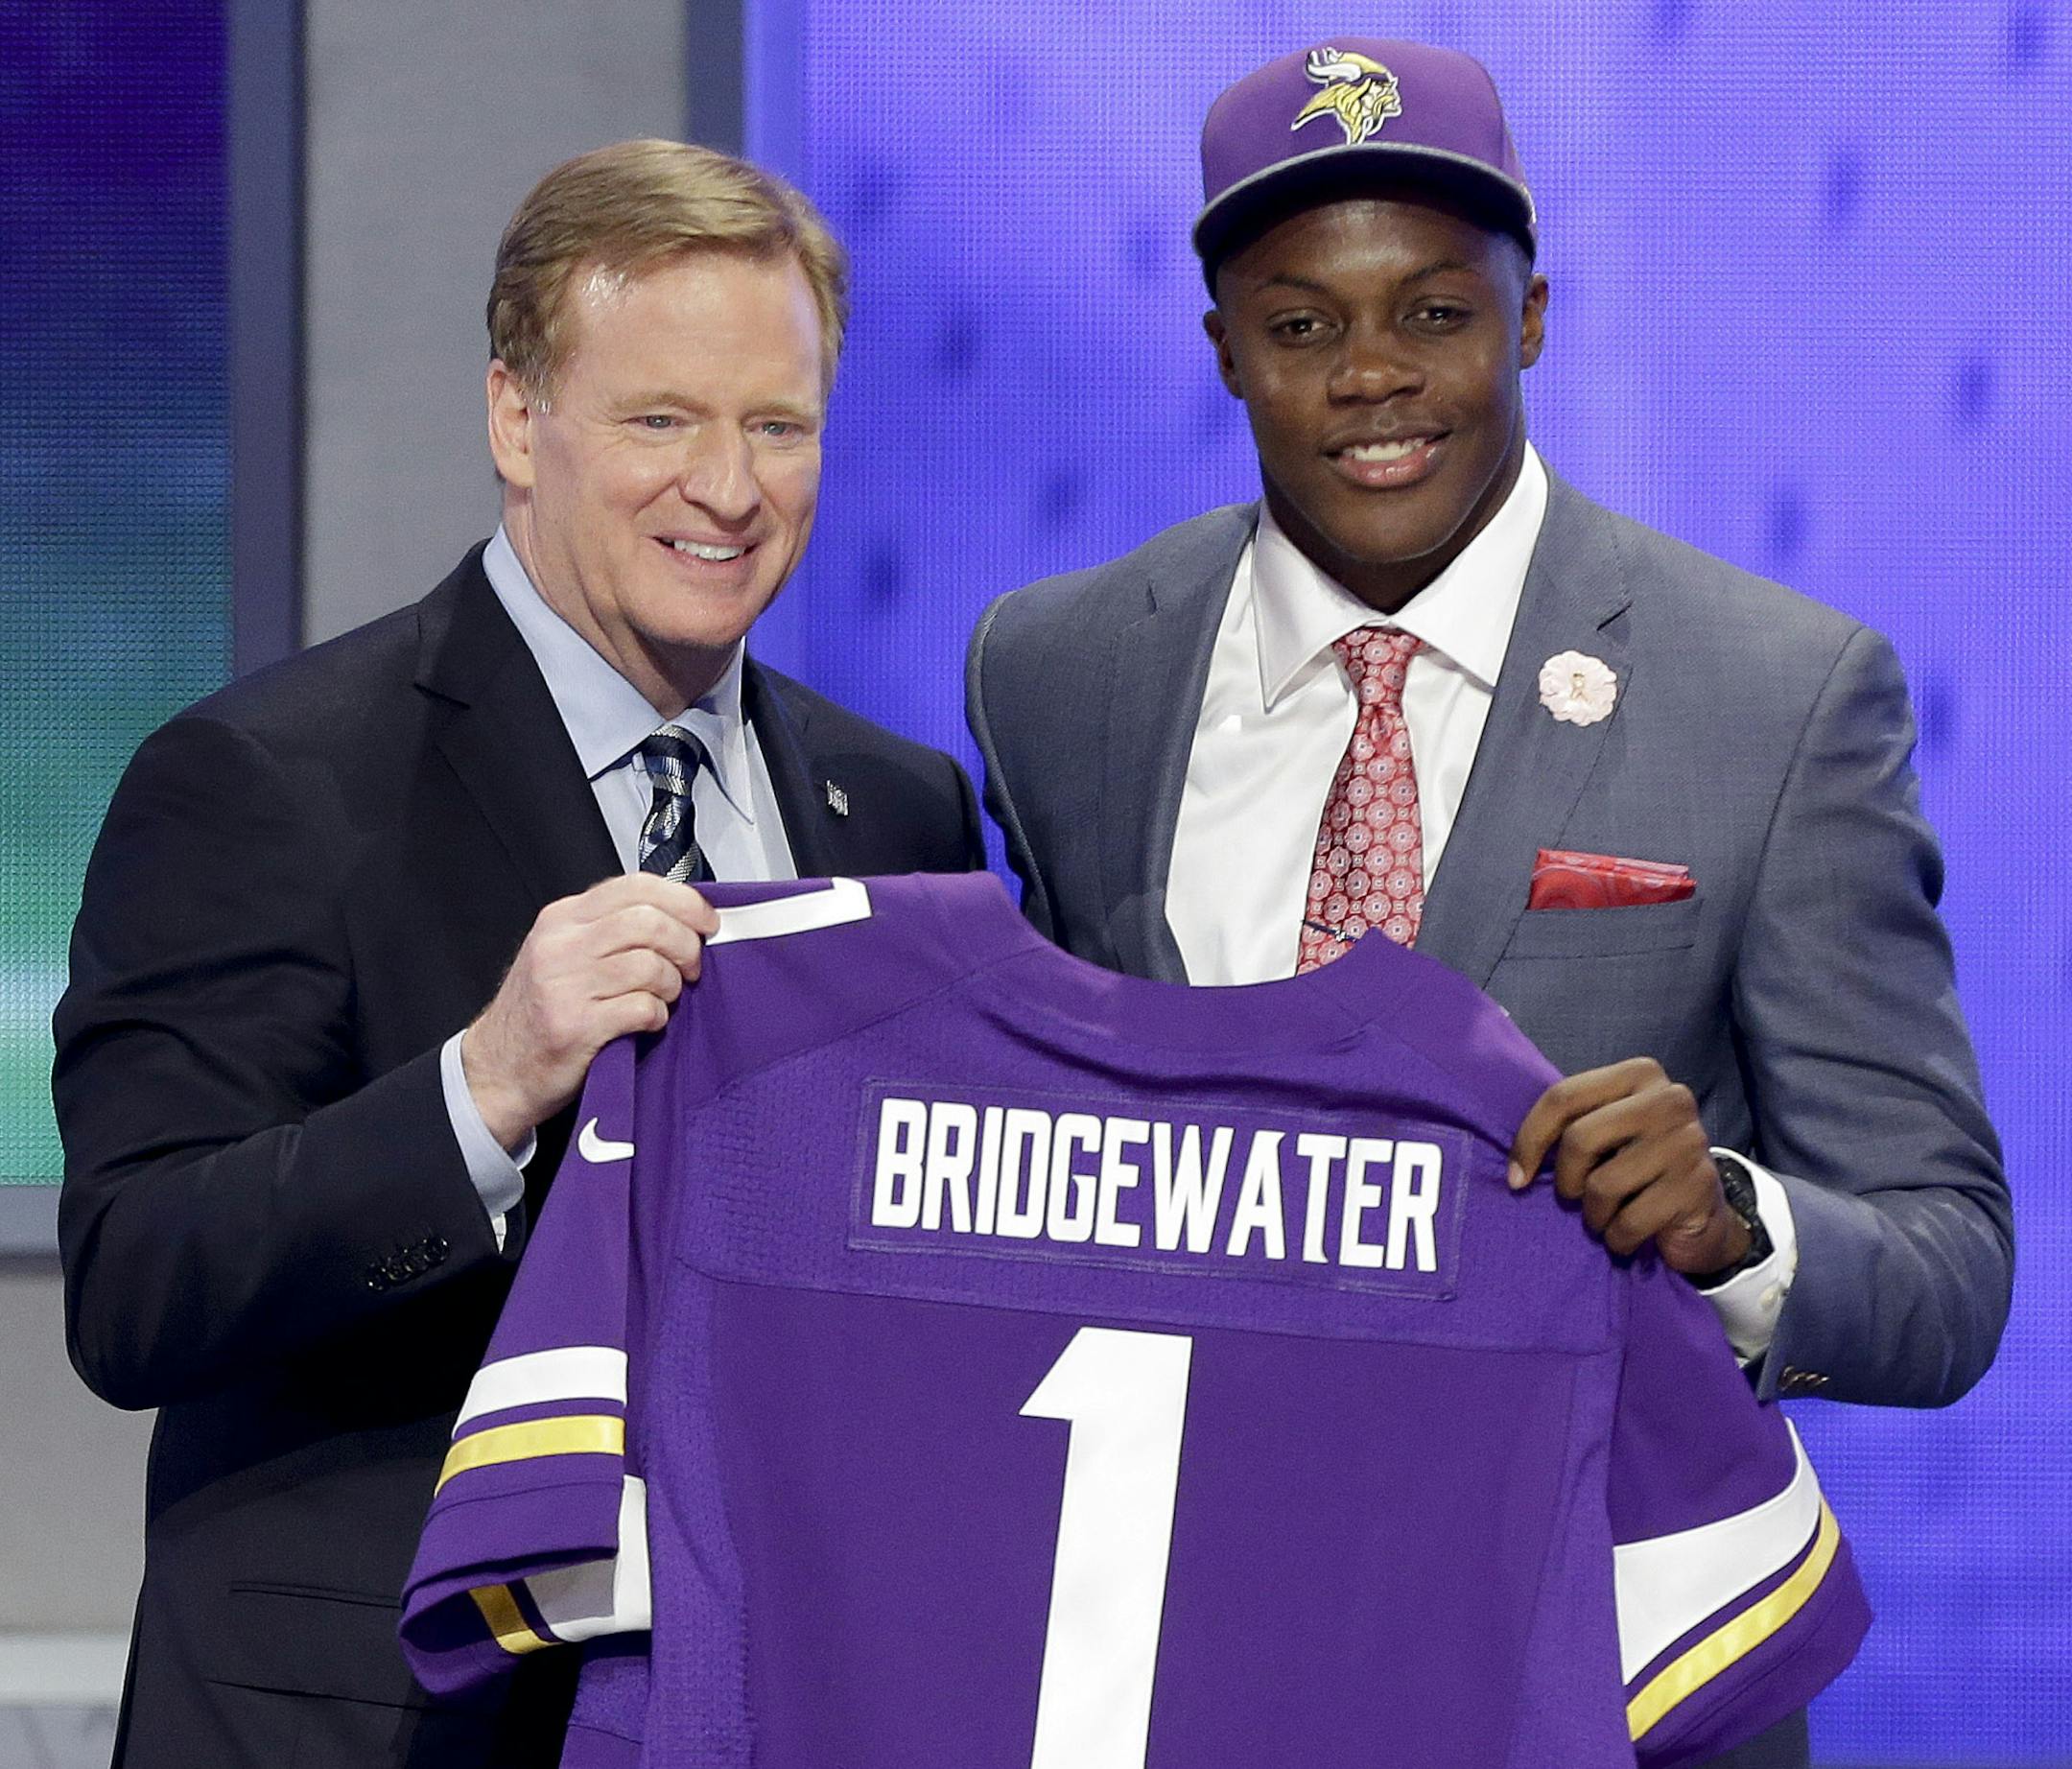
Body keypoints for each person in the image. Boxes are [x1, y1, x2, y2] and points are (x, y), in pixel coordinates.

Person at [965, 41, 2010, 1769]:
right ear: (1222, 347)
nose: (1373, 374)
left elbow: (1949, 1274)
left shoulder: (1777, 695)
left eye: (1436, 312)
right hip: (1168, 1665)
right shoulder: (1058, 672)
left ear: (1530, 316)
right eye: (1302, 324)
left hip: (1612, 1685)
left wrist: (1735, 1228)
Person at [54, 139, 981, 1769]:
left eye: (778, 425)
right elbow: (137, 1285)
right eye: (660, 421)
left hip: (772, 1705)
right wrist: (480, 1090)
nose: (729, 487)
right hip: (387, 1727)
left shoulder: (900, 807)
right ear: (514, 419)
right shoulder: (269, 779)